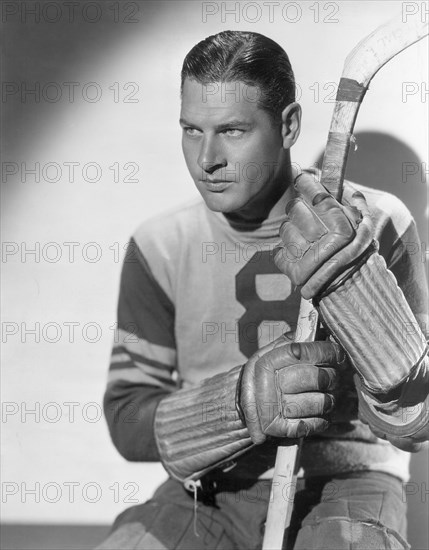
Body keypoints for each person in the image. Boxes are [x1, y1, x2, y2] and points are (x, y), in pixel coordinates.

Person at [96, 31, 428, 550]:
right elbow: (127, 418)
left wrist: (359, 290)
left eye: (231, 130)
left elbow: (418, 422)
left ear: (289, 125)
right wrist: (238, 404)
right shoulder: (159, 245)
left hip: (346, 484)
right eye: (191, 130)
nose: (206, 159)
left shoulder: (378, 224)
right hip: (206, 491)